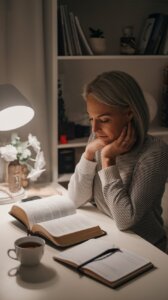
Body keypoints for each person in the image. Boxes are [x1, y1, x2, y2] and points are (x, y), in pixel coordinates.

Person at [68, 70, 168, 252]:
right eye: (91, 118)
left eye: (104, 119)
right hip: (109, 235)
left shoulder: (155, 152)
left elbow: (125, 220)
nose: (95, 128)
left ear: (129, 113)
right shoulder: (99, 139)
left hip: (147, 247)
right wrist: (89, 153)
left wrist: (108, 160)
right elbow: (74, 199)